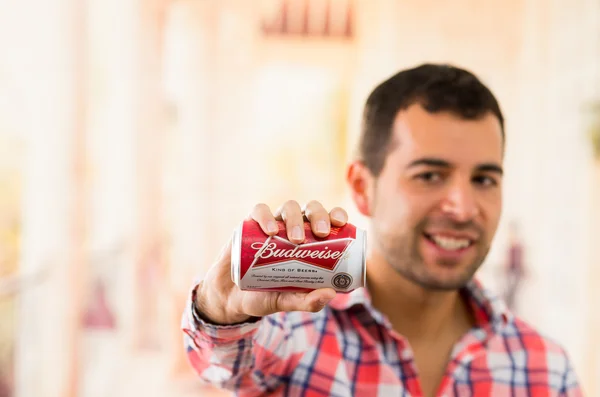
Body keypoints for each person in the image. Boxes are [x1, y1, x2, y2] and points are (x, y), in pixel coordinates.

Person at [181, 64, 582, 396]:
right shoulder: (292, 333)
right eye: (429, 175)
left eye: (484, 179)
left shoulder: (547, 372)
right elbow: (223, 367)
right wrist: (220, 311)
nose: (462, 208)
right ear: (362, 187)